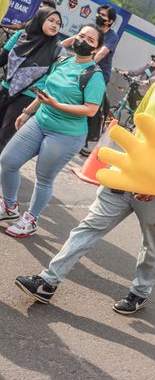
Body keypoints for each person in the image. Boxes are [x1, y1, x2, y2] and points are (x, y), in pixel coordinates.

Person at [15, 33, 155, 314]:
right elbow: (138, 128)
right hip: (127, 173)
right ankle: (48, 281)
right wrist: (120, 162)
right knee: (88, 226)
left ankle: (140, 291)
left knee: (152, 242)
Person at [0, 24, 106, 237]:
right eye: (81, 35)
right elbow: (46, 90)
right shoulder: (64, 60)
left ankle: (31, 219)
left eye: (90, 40)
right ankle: (10, 206)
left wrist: (57, 105)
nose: (83, 41)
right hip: (39, 121)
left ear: (95, 49)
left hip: (66, 134)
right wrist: (27, 112)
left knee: (44, 178)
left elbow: (91, 110)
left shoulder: (94, 75)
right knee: (7, 161)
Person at [0, 8, 63, 151]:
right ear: (40, 19)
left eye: (58, 23)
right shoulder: (20, 36)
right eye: (51, 20)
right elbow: (2, 59)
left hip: (27, 97)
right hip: (5, 88)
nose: (54, 25)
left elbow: (52, 83)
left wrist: (29, 110)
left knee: (4, 136)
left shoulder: (58, 50)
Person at [63, 5, 118, 156]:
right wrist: (58, 46)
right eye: (98, 13)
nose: (98, 16)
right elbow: (76, 38)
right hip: (83, 68)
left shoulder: (112, 36)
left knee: (88, 107)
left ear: (110, 21)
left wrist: (87, 63)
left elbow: (102, 53)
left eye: (103, 15)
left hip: (97, 74)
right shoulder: (92, 29)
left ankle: (86, 138)